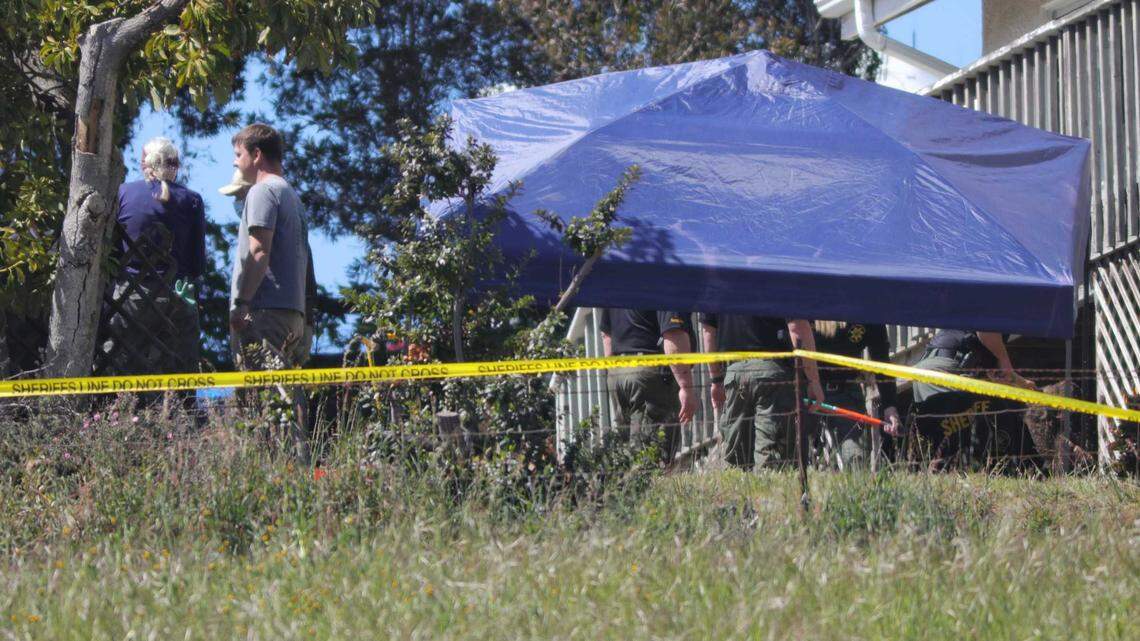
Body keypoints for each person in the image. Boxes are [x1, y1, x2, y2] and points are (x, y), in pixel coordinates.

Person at [228, 123, 312, 462]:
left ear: (256, 155)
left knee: (264, 405)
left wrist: (241, 304)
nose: (236, 164)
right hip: (293, 313)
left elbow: (259, 252)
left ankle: (275, 475)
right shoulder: (292, 195)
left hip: (265, 313)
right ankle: (298, 469)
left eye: (238, 155)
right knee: (288, 398)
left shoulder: (262, 192)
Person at [107, 137, 205, 377]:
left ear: (144, 164)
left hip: (128, 297)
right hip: (176, 297)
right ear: (177, 166)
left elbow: (112, 250)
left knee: (119, 364)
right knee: (179, 370)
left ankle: (111, 412)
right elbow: (197, 262)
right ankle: (182, 411)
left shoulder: (122, 193)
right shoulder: (192, 200)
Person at [700, 314, 825, 470]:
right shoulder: (783, 287)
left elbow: (708, 331)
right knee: (773, 458)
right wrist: (813, 380)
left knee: (736, 458)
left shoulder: (718, 288)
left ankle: (738, 492)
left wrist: (716, 379)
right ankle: (771, 489)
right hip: (773, 373)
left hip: (734, 373)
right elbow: (797, 327)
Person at [220, 168, 318, 363]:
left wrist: (241, 305)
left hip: (266, 316)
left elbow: (307, 279)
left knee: (263, 389)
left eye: (240, 195)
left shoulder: (273, 224)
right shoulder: (280, 226)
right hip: (289, 318)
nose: (238, 202)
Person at [911, 330, 1036, 470]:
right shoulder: (1000, 310)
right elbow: (985, 329)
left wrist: (1019, 382)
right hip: (948, 369)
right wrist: (1007, 367)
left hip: (935, 368)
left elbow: (995, 371)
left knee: (941, 438)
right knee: (962, 435)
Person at [599, 309, 696, 462]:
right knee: (654, 451)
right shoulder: (665, 285)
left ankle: (635, 483)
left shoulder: (615, 285)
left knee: (629, 452)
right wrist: (686, 387)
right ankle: (653, 482)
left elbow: (606, 335)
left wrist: (614, 371)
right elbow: (673, 335)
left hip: (617, 373)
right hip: (646, 375)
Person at [811, 321, 901, 469]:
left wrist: (890, 406)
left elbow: (882, 362)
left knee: (856, 461)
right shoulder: (813, 305)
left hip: (847, 393)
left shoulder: (867, 311)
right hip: (808, 392)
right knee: (803, 460)